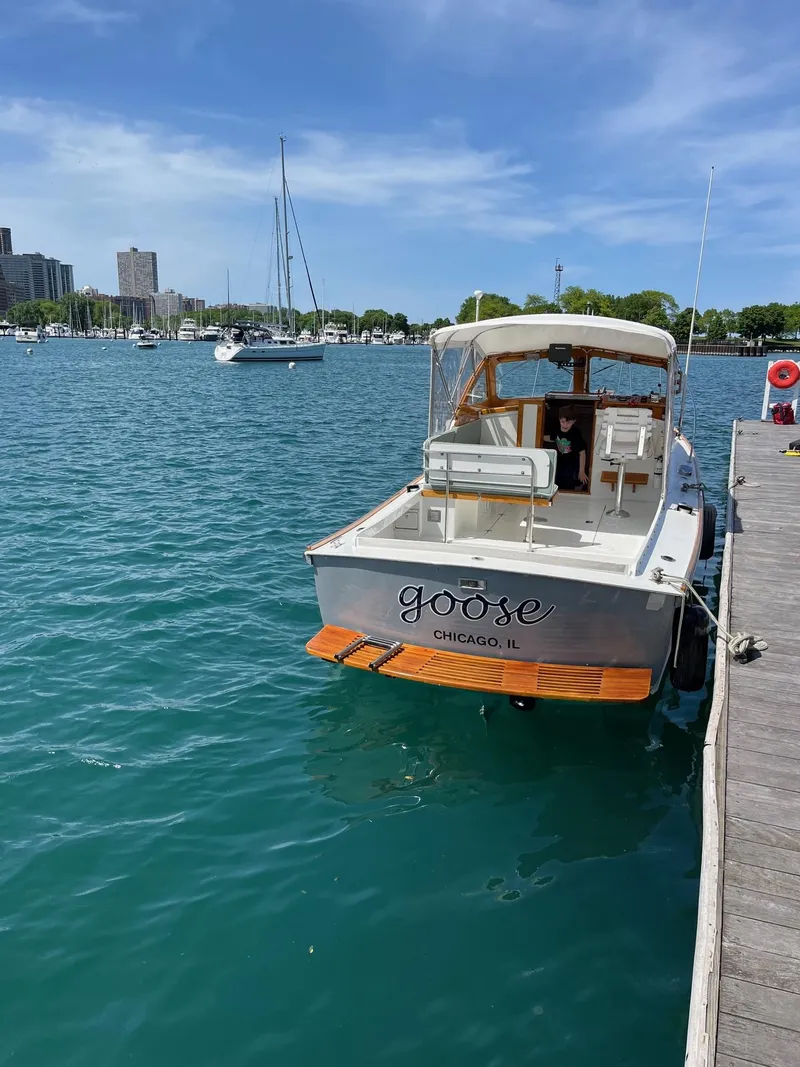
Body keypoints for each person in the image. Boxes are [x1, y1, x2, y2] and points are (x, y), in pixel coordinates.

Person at [551, 405, 588, 490]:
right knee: (556, 480)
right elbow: (551, 438)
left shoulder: (576, 433)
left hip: (571, 461)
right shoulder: (556, 429)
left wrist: (581, 471)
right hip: (559, 460)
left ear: (573, 422)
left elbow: (582, 452)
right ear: (559, 420)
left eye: (568, 423)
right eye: (563, 422)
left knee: (568, 480)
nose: (565, 425)